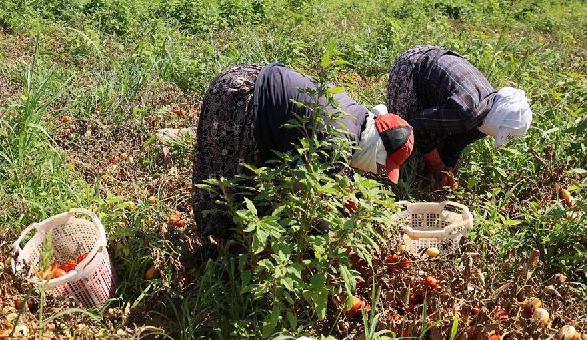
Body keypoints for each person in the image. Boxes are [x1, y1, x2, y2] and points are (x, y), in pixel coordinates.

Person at [192, 63, 414, 241]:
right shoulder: (339, 140)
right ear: (377, 149)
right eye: (382, 165)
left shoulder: (356, 117)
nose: (377, 171)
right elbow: (307, 198)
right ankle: (219, 256)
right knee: (228, 186)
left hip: (247, 75)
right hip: (240, 98)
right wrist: (331, 239)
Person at [386, 45, 532, 186]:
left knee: (438, 150)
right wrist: (435, 164)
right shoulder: (466, 113)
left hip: (433, 68)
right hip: (412, 66)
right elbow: (415, 125)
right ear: (499, 123)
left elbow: (458, 141)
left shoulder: (490, 111)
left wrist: (447, 169)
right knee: (406, 148)